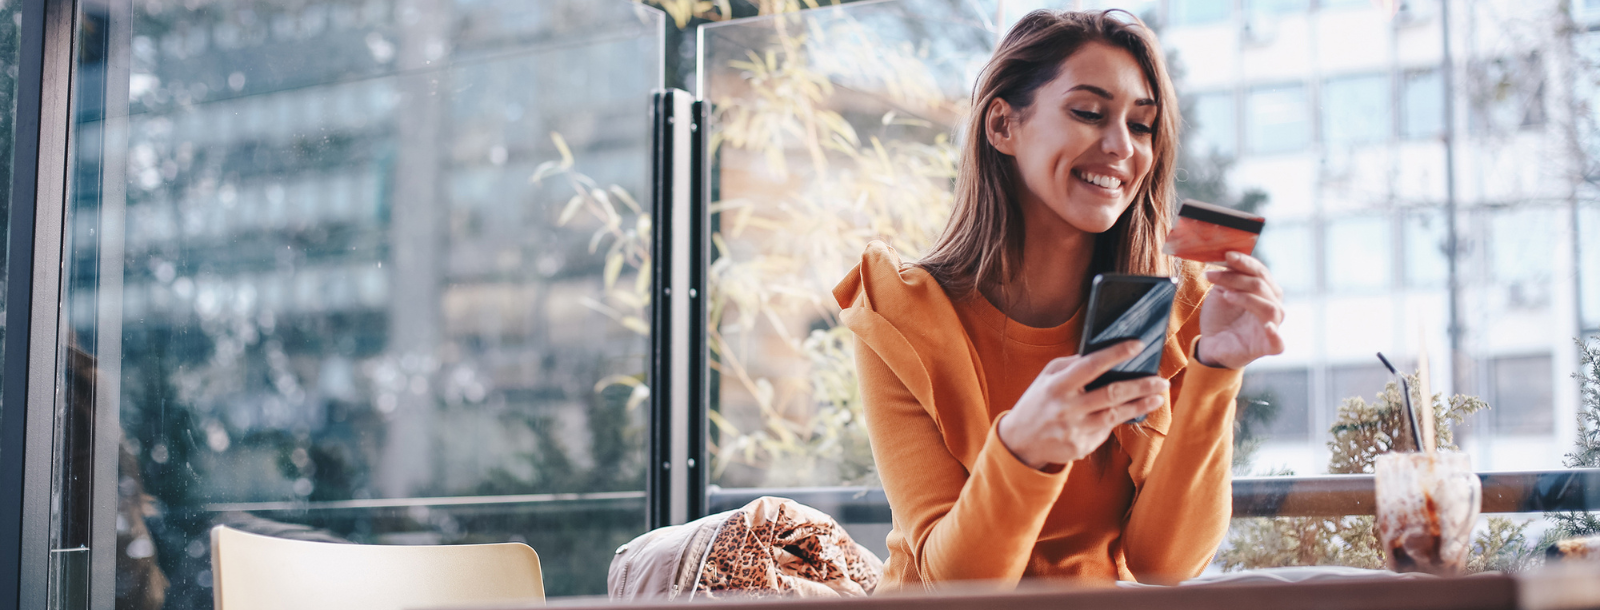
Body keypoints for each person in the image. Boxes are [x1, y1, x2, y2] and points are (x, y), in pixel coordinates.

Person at [832, 10, 1286, 590]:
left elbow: (1163, 564)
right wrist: (1023, 447)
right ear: (1002, 125)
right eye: (1088, 113)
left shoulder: (1174, 308)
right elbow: (954, 585)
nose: (1122, 146)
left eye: (1143, 126)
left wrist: (1216, 371)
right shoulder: (902, 310)